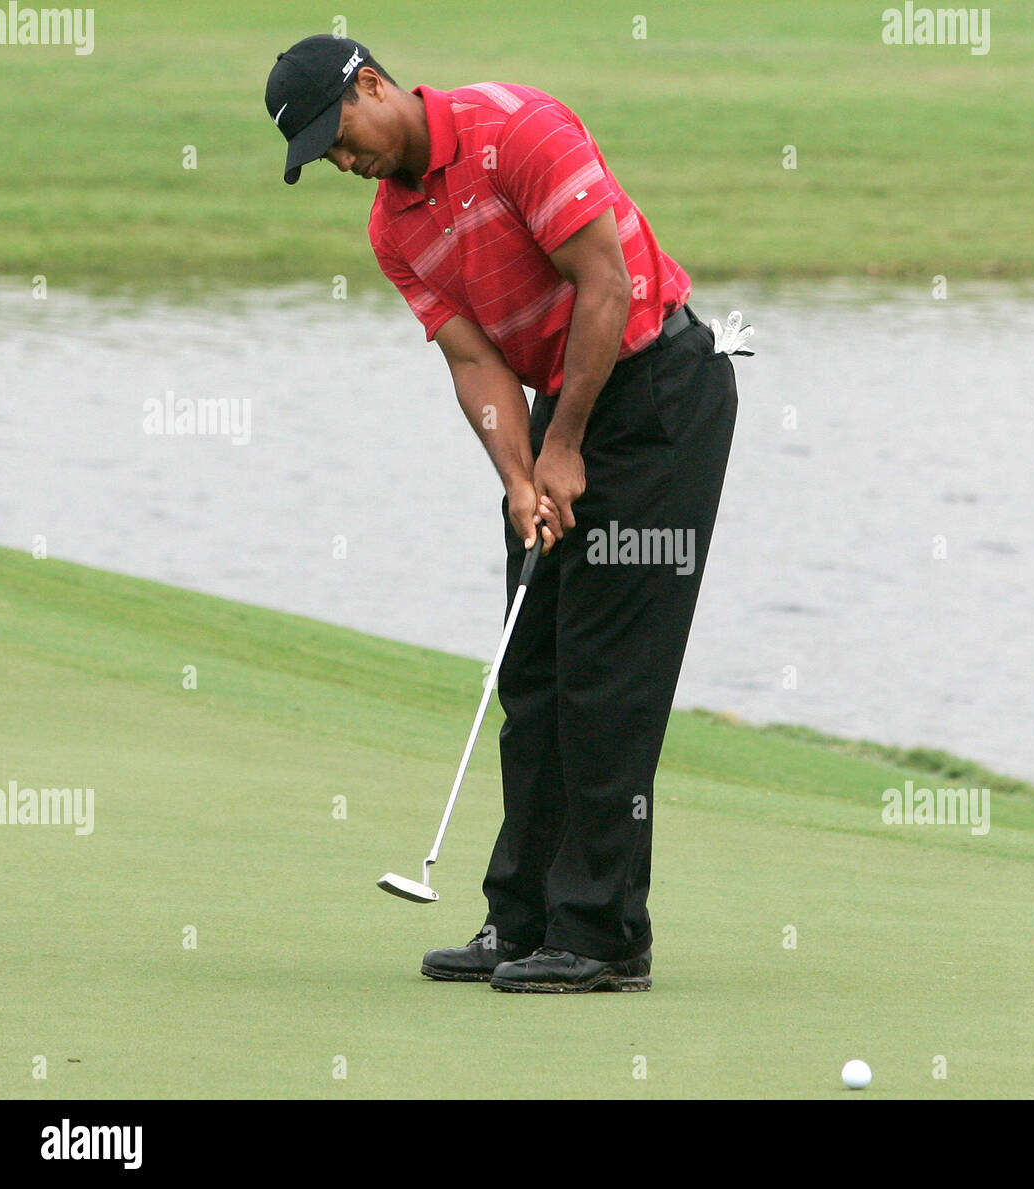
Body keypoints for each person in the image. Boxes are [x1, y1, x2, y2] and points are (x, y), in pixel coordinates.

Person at [265, 35, 746, 992]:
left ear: (373, 84)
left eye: (340, 133)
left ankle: (604, 935)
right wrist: (520, 475)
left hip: (657, 397)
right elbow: (474, 361)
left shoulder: (516, 129)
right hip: (560, 405)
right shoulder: (392, 228)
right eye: (323, 155)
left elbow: (604, 285)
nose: (342, 159)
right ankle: (521, 919)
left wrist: (565, 446)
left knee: (605, 676)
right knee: (532, 674)